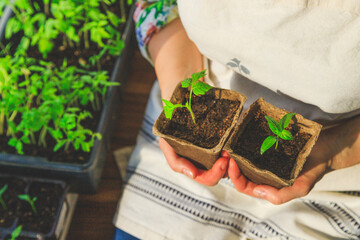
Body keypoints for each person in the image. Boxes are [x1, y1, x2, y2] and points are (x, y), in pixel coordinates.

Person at [113, 0, 360, 239]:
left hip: (332, 184)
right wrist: (180, 83)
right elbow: (158, 6)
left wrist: (334, 150)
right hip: (185, 153)